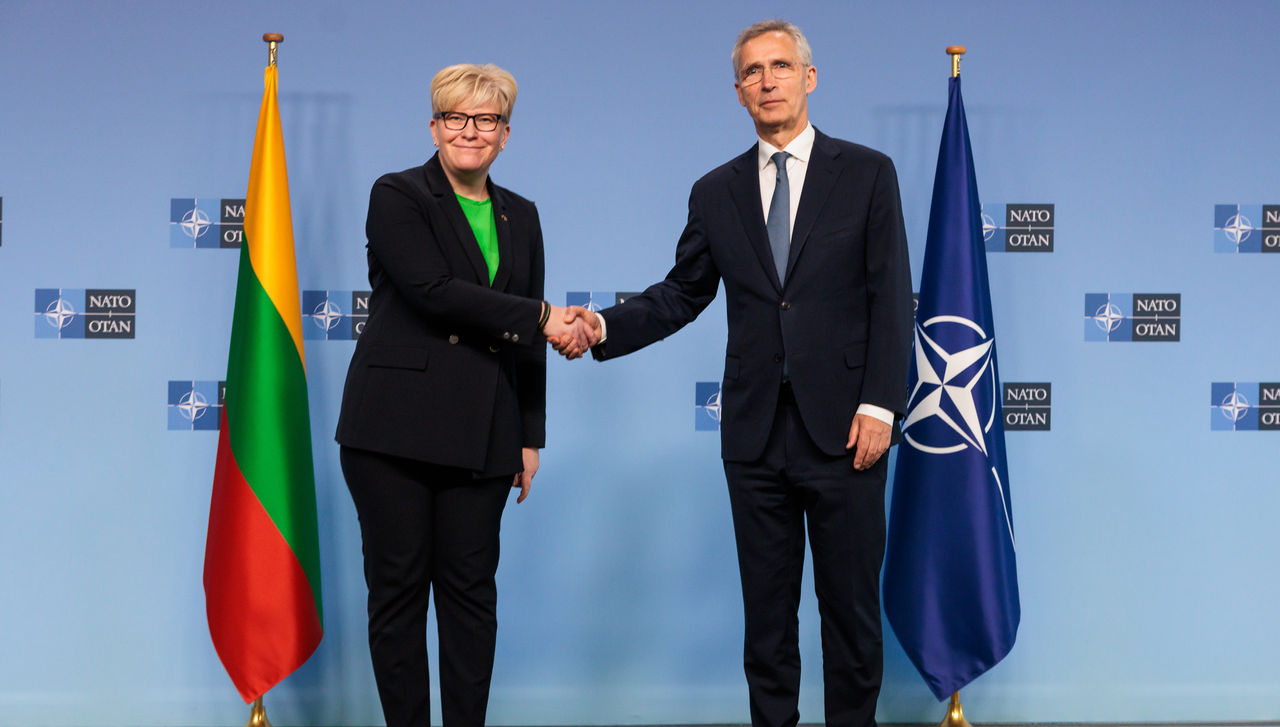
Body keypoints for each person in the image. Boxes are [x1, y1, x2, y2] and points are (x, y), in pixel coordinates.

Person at [554, 20, 913, 727]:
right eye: (753, 71)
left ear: (810, 78)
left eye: (781, 66)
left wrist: (880, 404)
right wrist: (601, 326)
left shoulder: (868, 172)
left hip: (846, 430)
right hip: (753, 437)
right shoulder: (715, 191)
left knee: (851, 616)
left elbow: (890, 294)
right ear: (738, 92)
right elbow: (682, 292)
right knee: (767, 624)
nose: (768, 79)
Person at [335, 63, 592, 727]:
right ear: (434, 126)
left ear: (506, 134)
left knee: (471, 595)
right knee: (396, 596)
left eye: (486, 120)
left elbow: (525, 343)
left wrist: (529, 432)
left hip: (484, 433)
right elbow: (432, 290)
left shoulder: (523, 214)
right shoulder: (398, 195)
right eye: (456, 117)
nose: (470, 131)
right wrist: (541, 314)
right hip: (390, 434)